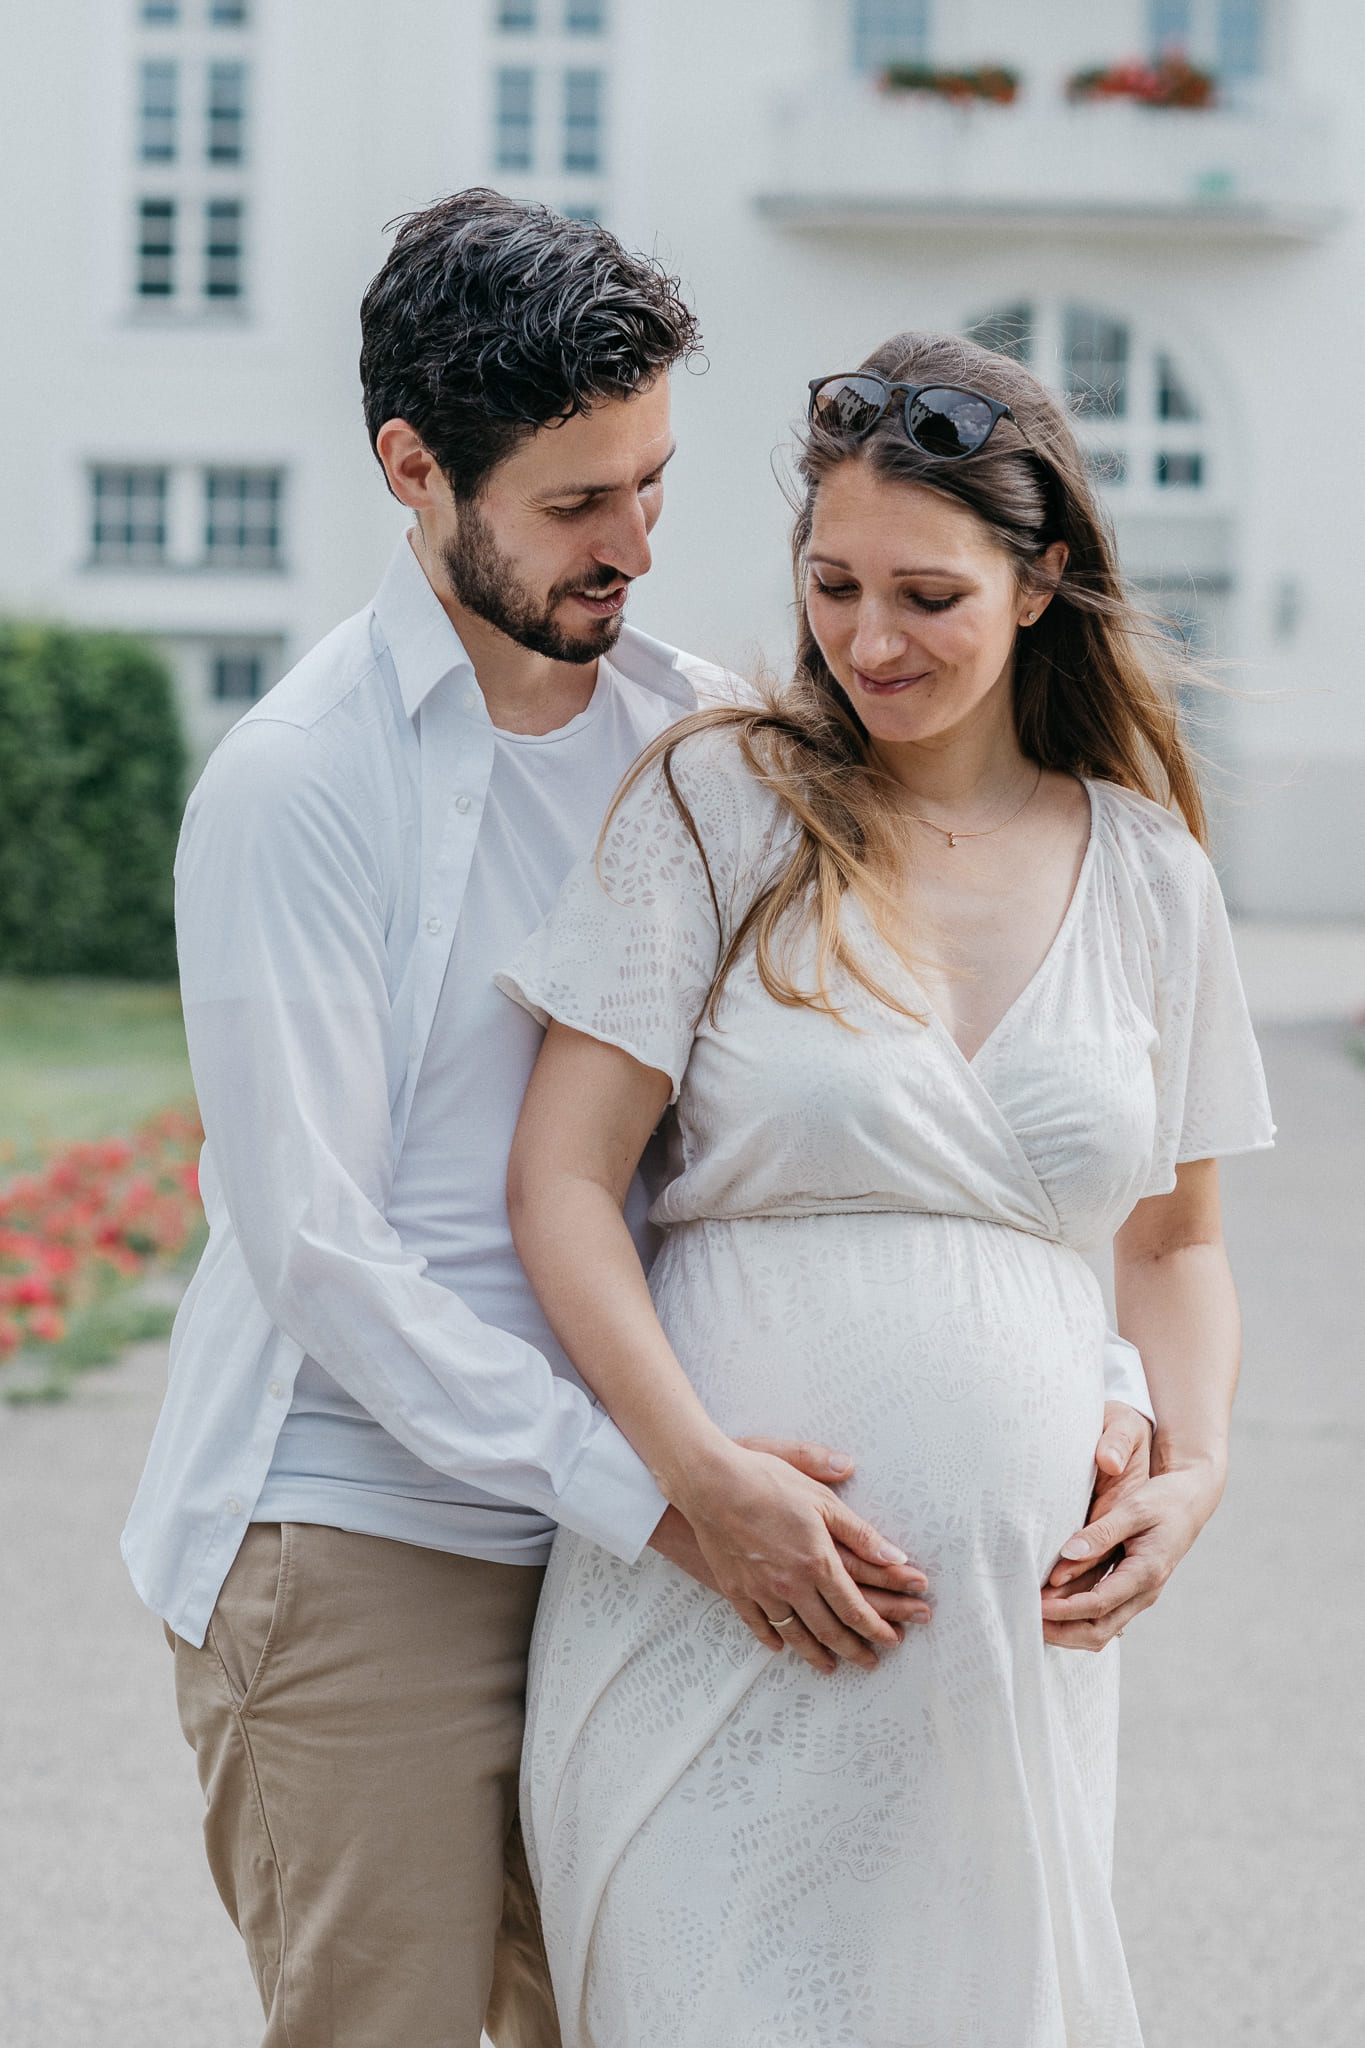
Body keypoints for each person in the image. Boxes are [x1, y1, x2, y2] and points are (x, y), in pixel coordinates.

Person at [120, 192, 935, 2048]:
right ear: (414, 468)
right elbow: (320, 1250)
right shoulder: (294, 786)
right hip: (357, 1546)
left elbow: (860, 1088)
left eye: (650, 483)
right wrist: (662, 1497)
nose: (635, 544)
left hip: (637, 1531)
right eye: (578, 503)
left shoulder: (703, 735)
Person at [500, 331, 1275, 2047]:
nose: (866, 640)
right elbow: (558, 1182)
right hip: (709, 1611)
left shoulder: (1149, 875)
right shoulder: (721, 803)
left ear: (1040, 577)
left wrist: (1196, 1475)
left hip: (1004, 1663)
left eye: (924, 594)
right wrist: (695, 1480)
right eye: (831, 584)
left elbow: (1175, 1241)